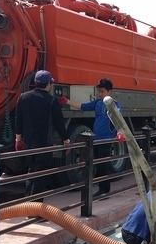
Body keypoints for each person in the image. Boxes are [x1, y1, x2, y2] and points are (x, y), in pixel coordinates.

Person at [58, 78, 121, 197]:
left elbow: (119, 121)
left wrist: (120, 133)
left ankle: (104, 190)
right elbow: (83, 106)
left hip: (106, 140)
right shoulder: (97, 103)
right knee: (97, 164)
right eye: (99, 92)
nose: (100, 94)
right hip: (96, 139)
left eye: (102, 91)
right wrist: (67, 102)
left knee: (103, 164)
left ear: (109, 91)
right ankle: (101, 189)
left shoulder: (115, 105)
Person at [15, 70, 70, 201]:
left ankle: (28, 205)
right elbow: (59, 124)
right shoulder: (51, 101)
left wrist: (18, 140)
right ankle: (35, 208)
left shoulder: (23, 97)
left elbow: (18, 121)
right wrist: (66, 141)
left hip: (28, 143)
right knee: (41, 175)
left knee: (31, 172)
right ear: (48, 84)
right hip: (44, 144)